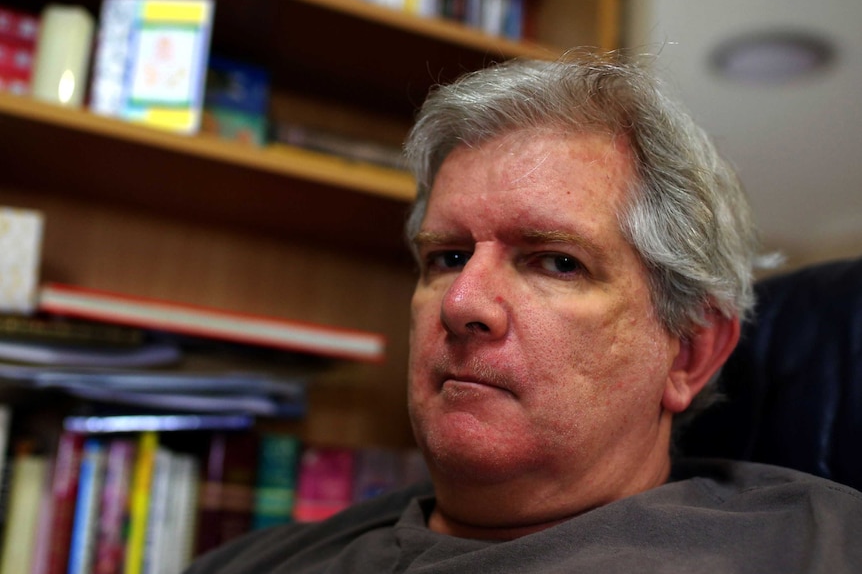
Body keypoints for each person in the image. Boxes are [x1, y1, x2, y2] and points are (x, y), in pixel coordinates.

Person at [184, 54, 862, 573]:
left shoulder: (821, 546)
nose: (462, 302)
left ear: (689, 351)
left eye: (555, 261)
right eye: (447, 257)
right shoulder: (249, 561)